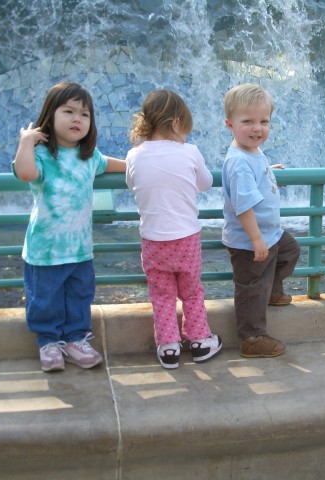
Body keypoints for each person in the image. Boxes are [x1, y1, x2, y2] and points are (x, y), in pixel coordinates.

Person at [13, 81, 126, 372]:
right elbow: (24, 173)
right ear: (49, 116)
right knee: (45, 299)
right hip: (45, 249)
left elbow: (114, 165)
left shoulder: (89, 157)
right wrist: (26, 141)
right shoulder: (41, 155)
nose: (77, 118)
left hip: (79, 248)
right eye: (69, 111)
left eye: (85, 114)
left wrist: (138, 164)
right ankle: (48, 342)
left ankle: (76, 338)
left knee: (79, 295)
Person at [125, 89, 222, 369]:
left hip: (153, 241)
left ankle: (168, 347)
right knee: (191, 292)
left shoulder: (134, 155)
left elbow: (133, 187)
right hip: (186, 239)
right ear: (177, 123)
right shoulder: (189, 151)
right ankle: (200, 341)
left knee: (162, 294)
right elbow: (204, 183)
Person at [221, 83, 301, 358]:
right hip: (249, 240)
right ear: (230, 124)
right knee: (251, 288)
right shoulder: (239, 162)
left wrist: (267, 170)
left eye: (263, 121)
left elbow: (254, 177)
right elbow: (243, 207)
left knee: (290, 251)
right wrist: (255, 239)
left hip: (271, 234)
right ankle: (252, 337)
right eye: (248, 122)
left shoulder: (253, 152)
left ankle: (272, 289)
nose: (257, 128)